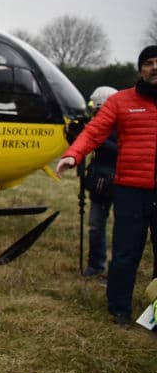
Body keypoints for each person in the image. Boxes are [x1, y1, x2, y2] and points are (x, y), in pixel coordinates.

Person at [57, 45, 157, 327]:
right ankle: (120, 309)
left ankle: (155, 313)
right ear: (140, 69)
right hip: (130, 189)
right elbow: (94, 131)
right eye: (148, 63)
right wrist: (72, 155)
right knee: (126, 251)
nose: (154, 67)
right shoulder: (121, 101)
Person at [80, 86, 118, 278]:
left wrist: (98, 139)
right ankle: (95, 265)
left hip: (121, 183)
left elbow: (121, 149)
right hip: (99, 184)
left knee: (122, 231)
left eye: (98, 109)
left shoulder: (124, 125)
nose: (95, 113)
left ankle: (117, 272)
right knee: (95, 226)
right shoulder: (96, 124)